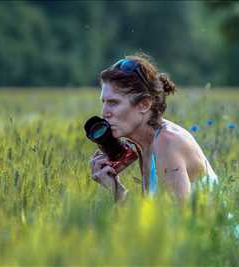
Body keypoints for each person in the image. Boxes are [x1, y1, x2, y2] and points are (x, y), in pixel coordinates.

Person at [89, 53, 217, 202]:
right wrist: (116, 189)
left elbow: (182, 222)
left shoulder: (167, 143)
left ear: (144, 104)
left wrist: (118, 192)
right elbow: (155, 219)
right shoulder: (144, 145)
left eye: (114, 102)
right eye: (103, 102)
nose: (104, 113)